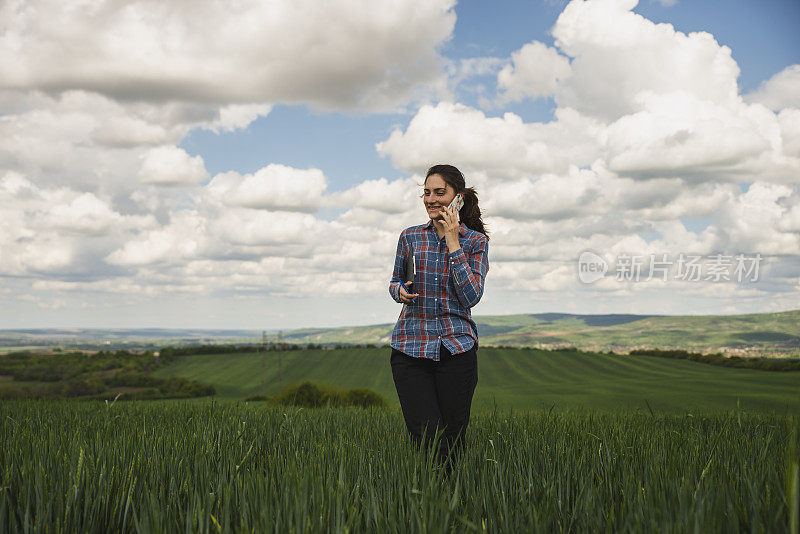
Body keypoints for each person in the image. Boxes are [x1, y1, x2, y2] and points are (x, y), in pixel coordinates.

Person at [387, 163, 490, 475]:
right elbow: (395, 282)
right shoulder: (410, 238)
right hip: (410, 348)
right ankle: (427, 504)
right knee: (427, 438)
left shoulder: (475, 243)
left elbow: (471, 296)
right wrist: (399, 291)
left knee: (454, 441)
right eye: (426, 193)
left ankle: (451, 507)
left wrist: (453, 242)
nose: (431, 199)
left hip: (456, 350)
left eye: (439, 193)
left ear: (456, 198)